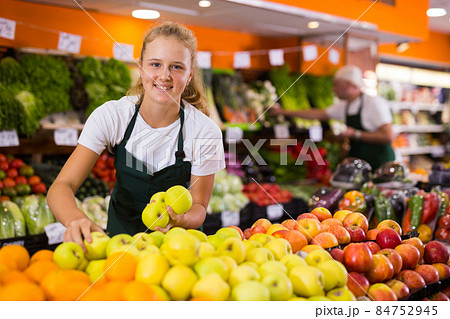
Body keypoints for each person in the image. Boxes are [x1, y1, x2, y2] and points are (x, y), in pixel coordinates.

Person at [47, 22, 225, 249]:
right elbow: (62, 185)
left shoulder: (204, 131)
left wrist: (180, 219)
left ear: (190, 75)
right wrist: (76, 218)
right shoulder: (112, 116)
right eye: (155, 64)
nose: (164, 75)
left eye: (177, 67)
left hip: (179, 250)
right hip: (120, 244)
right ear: (141, 67)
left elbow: (198, 206)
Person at [270, 65, 395, 170]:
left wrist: (355, 134)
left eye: (336, 85)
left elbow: (388, 136)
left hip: (380, 164)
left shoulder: (373, 103)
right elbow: (318, 114)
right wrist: (284, 112)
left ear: (349, 84)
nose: (333, 90)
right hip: (360, 164)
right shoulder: (345, 105)